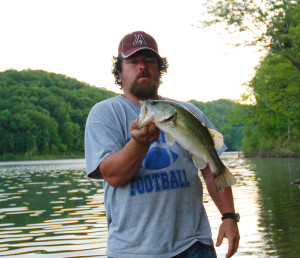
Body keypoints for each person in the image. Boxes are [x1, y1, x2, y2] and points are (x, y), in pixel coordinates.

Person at [85, 31, 240, 258]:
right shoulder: (105, 113)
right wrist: (139, 144)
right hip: (133, 250)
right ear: (119, 70)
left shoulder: (189, 112)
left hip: (194, 244)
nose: (142, 67)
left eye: (150, 61)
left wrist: (229, 217)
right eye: (133, 61)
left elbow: (210, 169)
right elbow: (113, 176)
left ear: (160, 68)